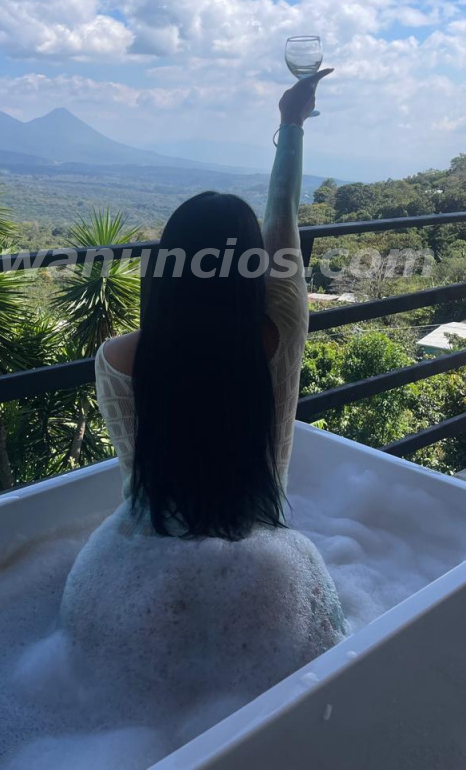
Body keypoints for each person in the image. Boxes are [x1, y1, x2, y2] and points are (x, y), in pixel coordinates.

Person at [59, 69, 345, 726]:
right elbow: (282, 223)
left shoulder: (117, 360)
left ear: (166, 267)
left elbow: (134, 474)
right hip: (262, 573)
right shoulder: (279, 332)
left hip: (133, 577)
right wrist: (291, 126)